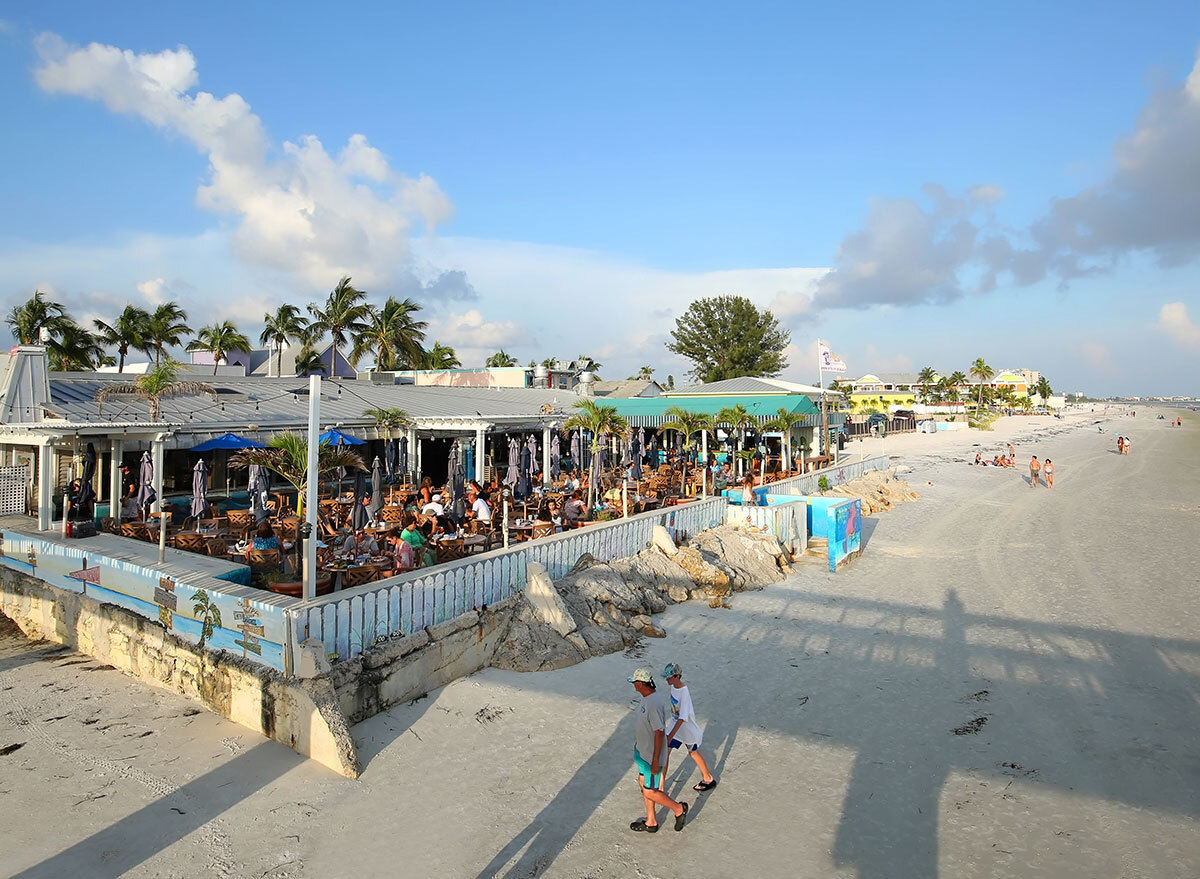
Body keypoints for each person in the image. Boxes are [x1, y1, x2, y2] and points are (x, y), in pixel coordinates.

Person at [627, 668, 688, 833]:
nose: (633, 685)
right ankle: (651, 821)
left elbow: (659, 732)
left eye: (634, 682)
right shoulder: (647, 698)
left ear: (640, 684)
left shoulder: (653, 703)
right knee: (643, 783)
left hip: (650, 757)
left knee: (650, 791)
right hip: (643, 752)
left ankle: (678, 809)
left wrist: (655, 760)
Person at [662, 662, 718, 793]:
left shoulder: (684, 692)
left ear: (678, 676)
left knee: (693, 753)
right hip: (675, 728)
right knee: (666, 753)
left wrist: (670, 736)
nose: (667, 679)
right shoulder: (673, 687)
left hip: (686, 730)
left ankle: (708, 778)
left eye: (669, 677)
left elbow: (682, 718)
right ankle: (660, 786)